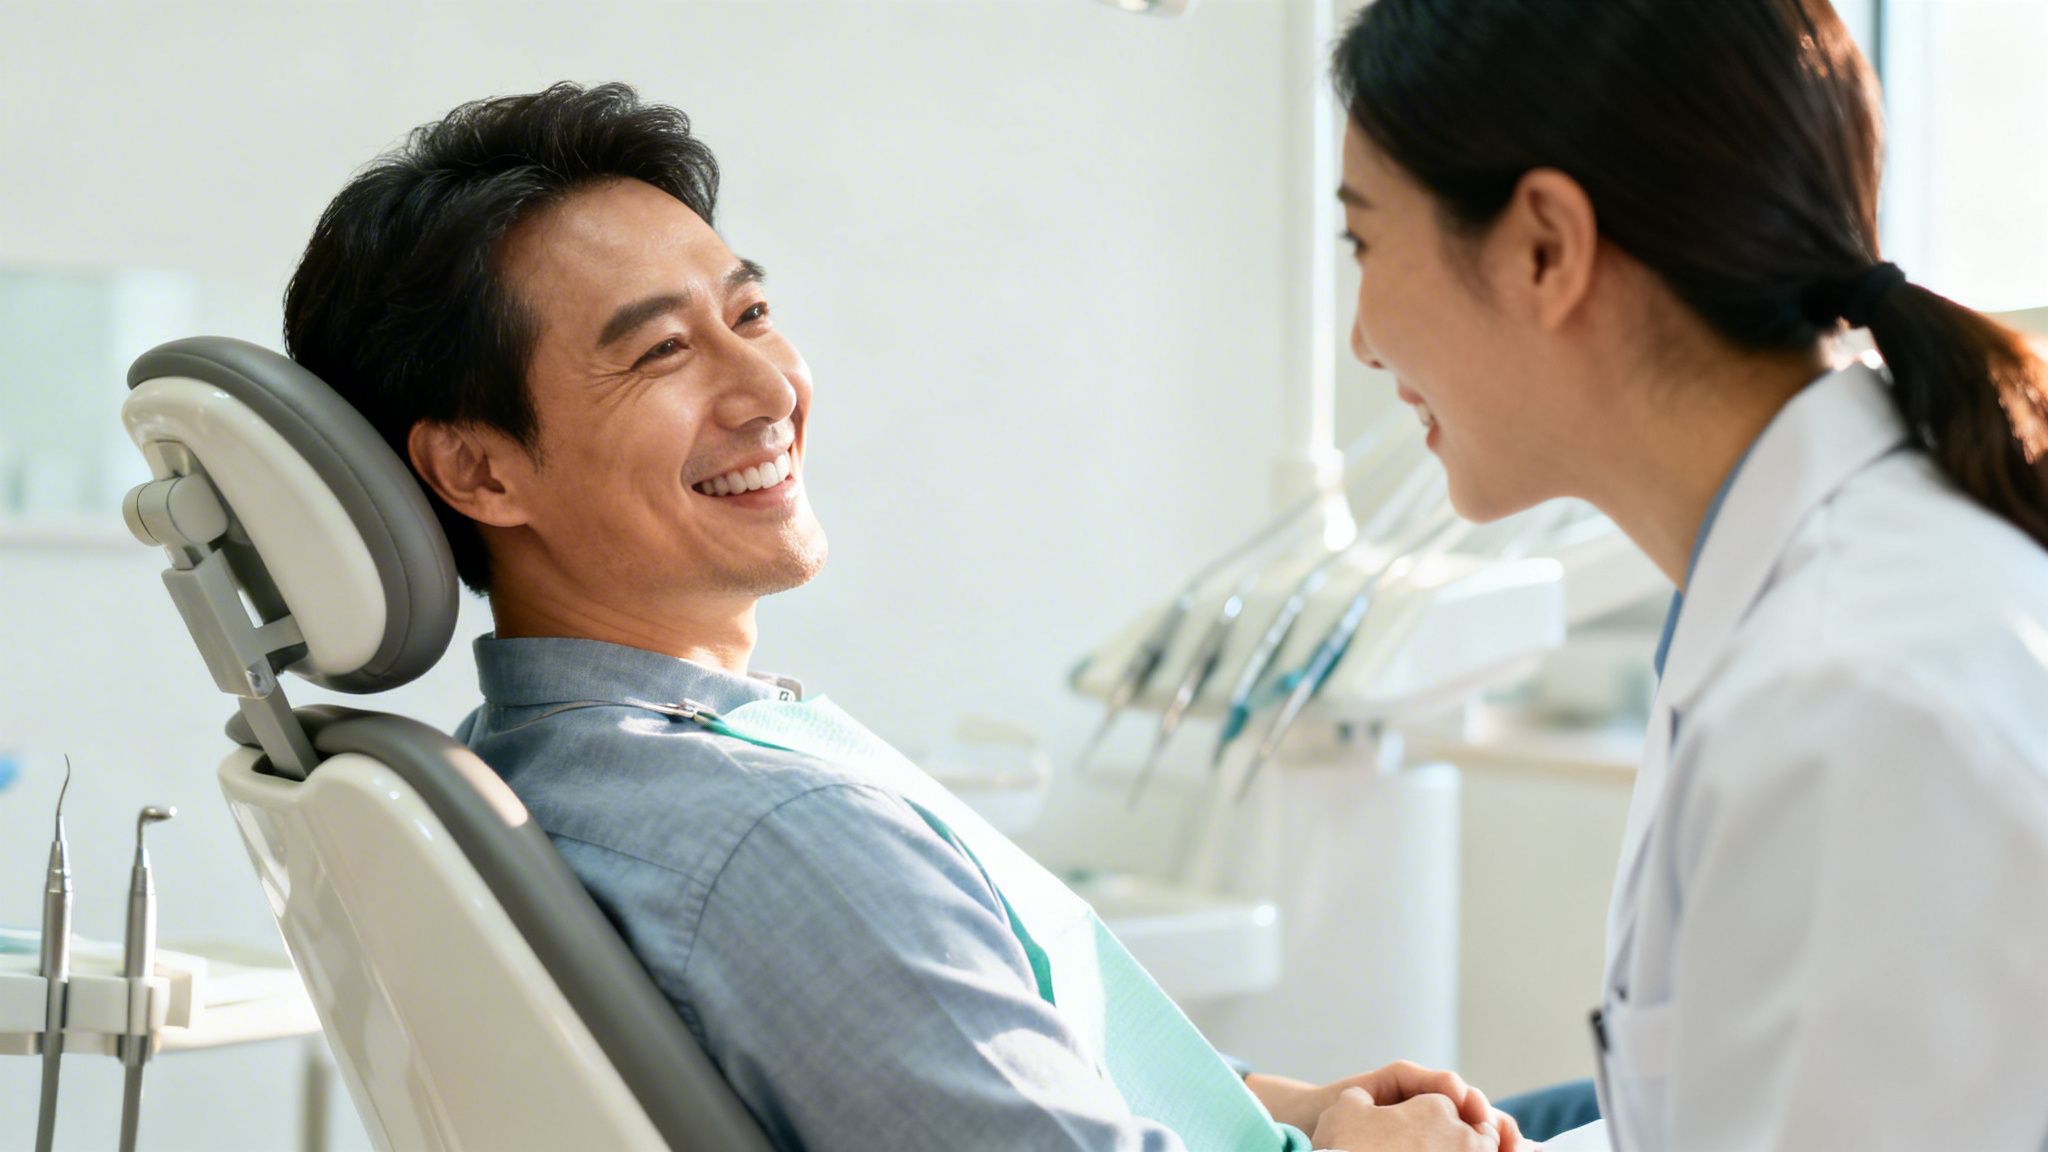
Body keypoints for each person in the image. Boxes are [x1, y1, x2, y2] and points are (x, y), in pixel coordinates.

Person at [280, 82, 1524, 1152]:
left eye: (749, 314)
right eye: (661, 352)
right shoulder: (764, 835)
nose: (768, 387)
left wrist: (1287, 1107)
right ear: (478, 470)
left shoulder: (572, 770)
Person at [1317, 1, 2048, 1149]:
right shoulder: (1805, 606)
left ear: (1543, 248)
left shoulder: (1849, 705)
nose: (1361, 339)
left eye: (1363, 243)